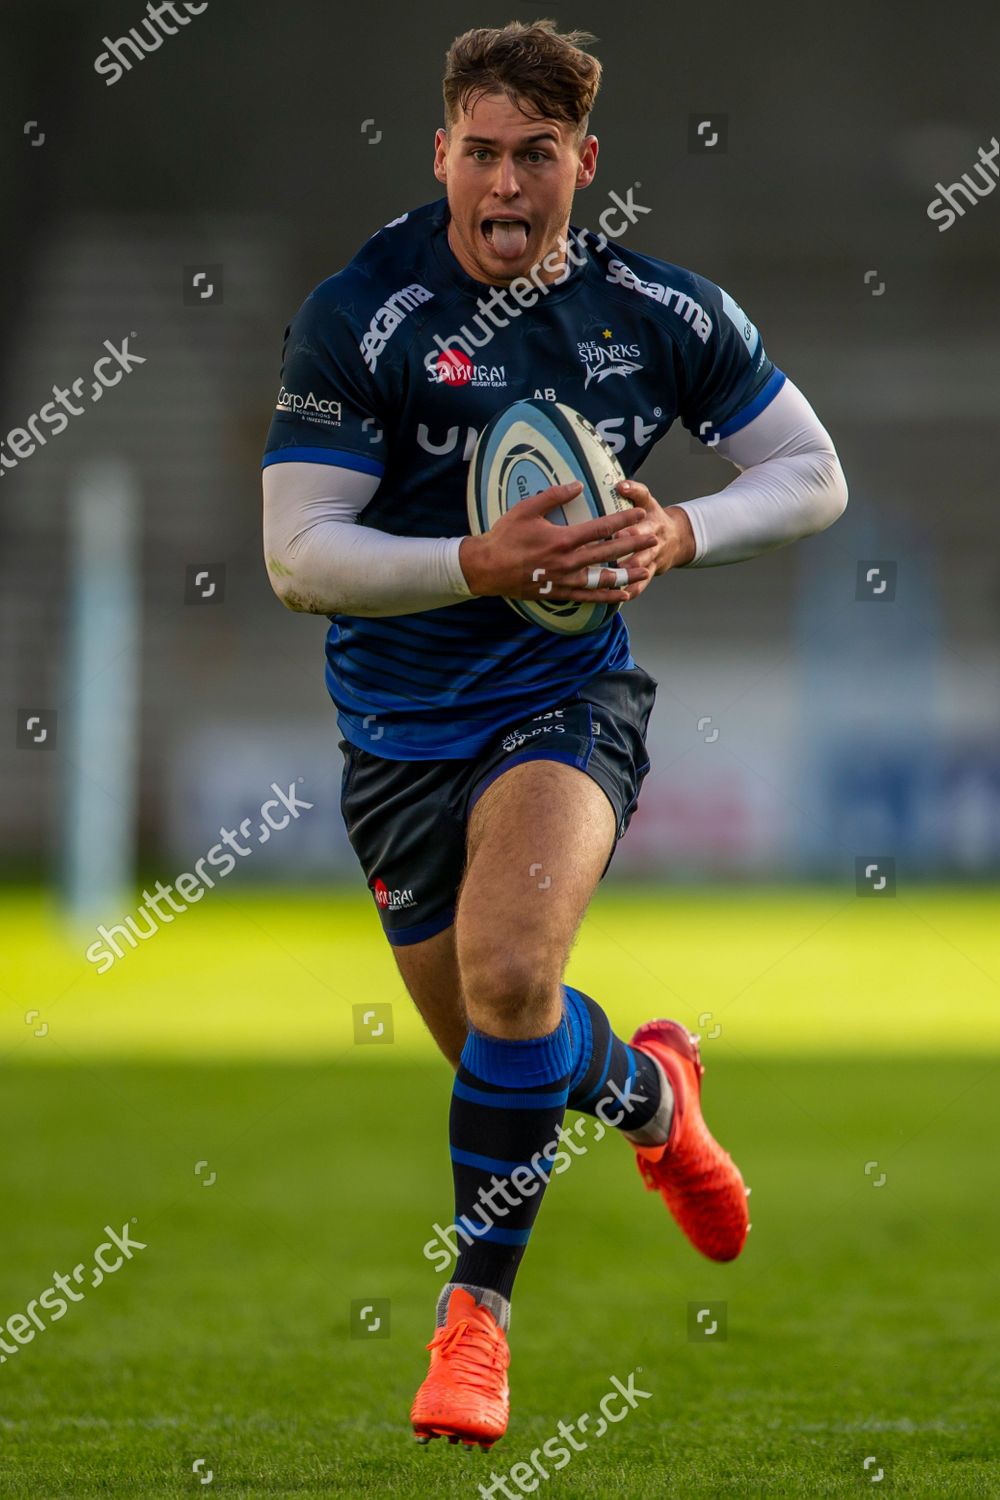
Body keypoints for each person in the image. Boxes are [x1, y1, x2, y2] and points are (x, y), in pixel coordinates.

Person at [261, 18, 847, 1452]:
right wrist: (480, 564)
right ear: (440, 153)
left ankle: (476, 1325)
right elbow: (296, 554)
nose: (507, 184)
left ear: (585, 164)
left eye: (538, 155)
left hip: (560, 700)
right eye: (482, 152)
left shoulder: (656, 310)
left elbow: (812, 474)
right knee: (499, 1050)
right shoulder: (362, 316)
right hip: (397, 737)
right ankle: (654, 1090)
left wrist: (684, 526)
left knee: (515, 975)